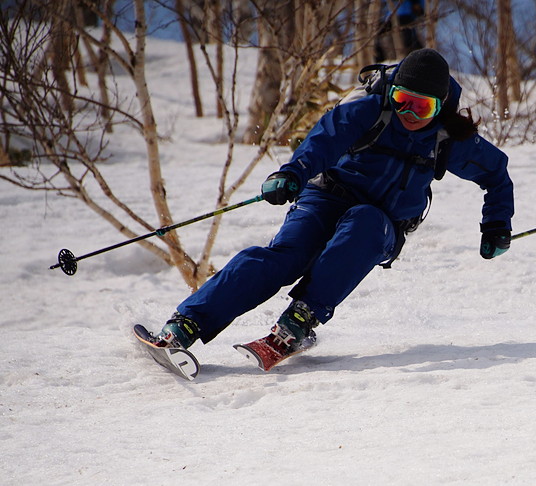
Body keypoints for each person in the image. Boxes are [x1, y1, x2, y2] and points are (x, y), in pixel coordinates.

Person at [150, 48, 514, 358]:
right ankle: (185, 324)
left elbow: (496, 174)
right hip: (325, 197)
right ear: (392, 95)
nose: (411, 114)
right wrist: (293, 173)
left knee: (365, 222)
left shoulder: (448, 139)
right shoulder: (369, 111)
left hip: (380, 223)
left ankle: (302, 317)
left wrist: (497, 224)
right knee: (285, 257)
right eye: (403, 101)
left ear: (441, 106)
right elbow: (322, 142)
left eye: (424, 107)